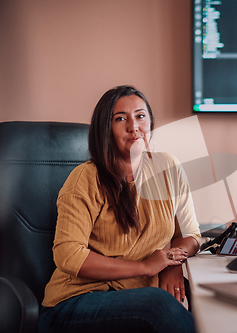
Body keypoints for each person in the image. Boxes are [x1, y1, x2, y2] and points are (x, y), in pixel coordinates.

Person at [38, 85, 201, 333]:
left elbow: (190, 234)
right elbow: (68, 255)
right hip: (75, 301)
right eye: (121, 119)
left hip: (139, 296)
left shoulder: (168, 167)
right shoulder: (85, 178)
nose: (133, 126)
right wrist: (147, 267)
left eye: (140, 116)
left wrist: (172, 263)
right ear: (106, 130)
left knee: (203, 297)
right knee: (157, 304)